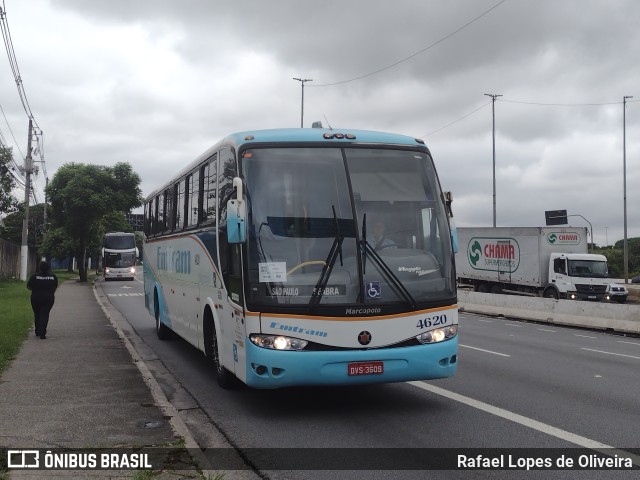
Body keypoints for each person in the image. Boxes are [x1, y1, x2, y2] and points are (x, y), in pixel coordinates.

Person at [26, 261, 58, 339]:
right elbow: (55, 286)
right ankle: (42, 333)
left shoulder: (34, 276)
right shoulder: (53, 276)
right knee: (45, 314)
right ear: (48, 268)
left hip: (36, 298)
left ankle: (37, 331)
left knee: (37, 314)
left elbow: (29, 287)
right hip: (48, 298)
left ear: (39, 267)